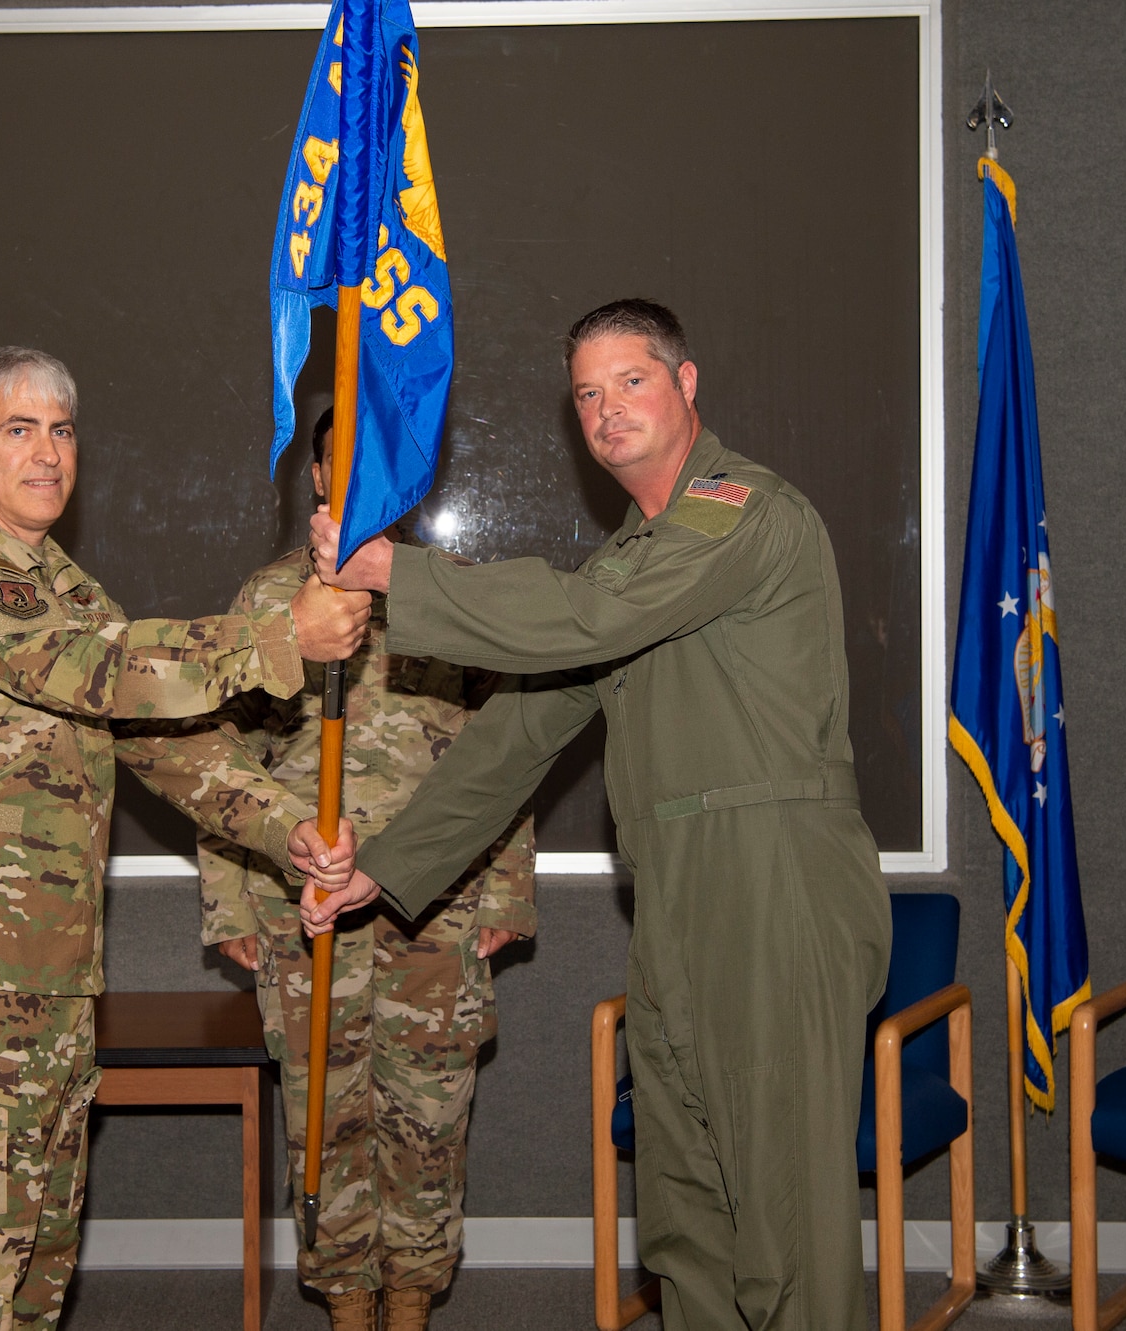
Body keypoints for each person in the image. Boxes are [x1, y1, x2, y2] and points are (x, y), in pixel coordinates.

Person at [304, 301, 893, 1331]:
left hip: (773, 880)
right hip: (673, 893)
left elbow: (589, 618)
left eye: (630, 380)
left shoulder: (735, 508)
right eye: (585, 392)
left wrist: (396, 572)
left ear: (685, 383)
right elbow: (519, 732)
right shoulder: (637, 551)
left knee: (783, 1226)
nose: (606, 408)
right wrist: (383, 865)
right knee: (687, 1211)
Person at [0, 346, 370, 1331]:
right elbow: (93, 670)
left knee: (34, 1277)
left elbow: (162, 741)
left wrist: (284, 825)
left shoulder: (61, 583)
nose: (48, 452)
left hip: (50, 989)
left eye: (61, 429)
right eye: (19, 428)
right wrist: (275, 639)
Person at [198, 408, 534, 1331]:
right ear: (312, 477)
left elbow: (507, 748)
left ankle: (415, 1293)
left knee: (430, 1113)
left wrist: (506, 886)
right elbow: (215, 756)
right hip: (301, 905)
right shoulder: (267, 601)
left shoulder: (453, 595)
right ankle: (347, 1299)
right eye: (338, 464)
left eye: (379, 464)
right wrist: (227, 901)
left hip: (440, 905)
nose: (354, 480)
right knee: (323, 1114)